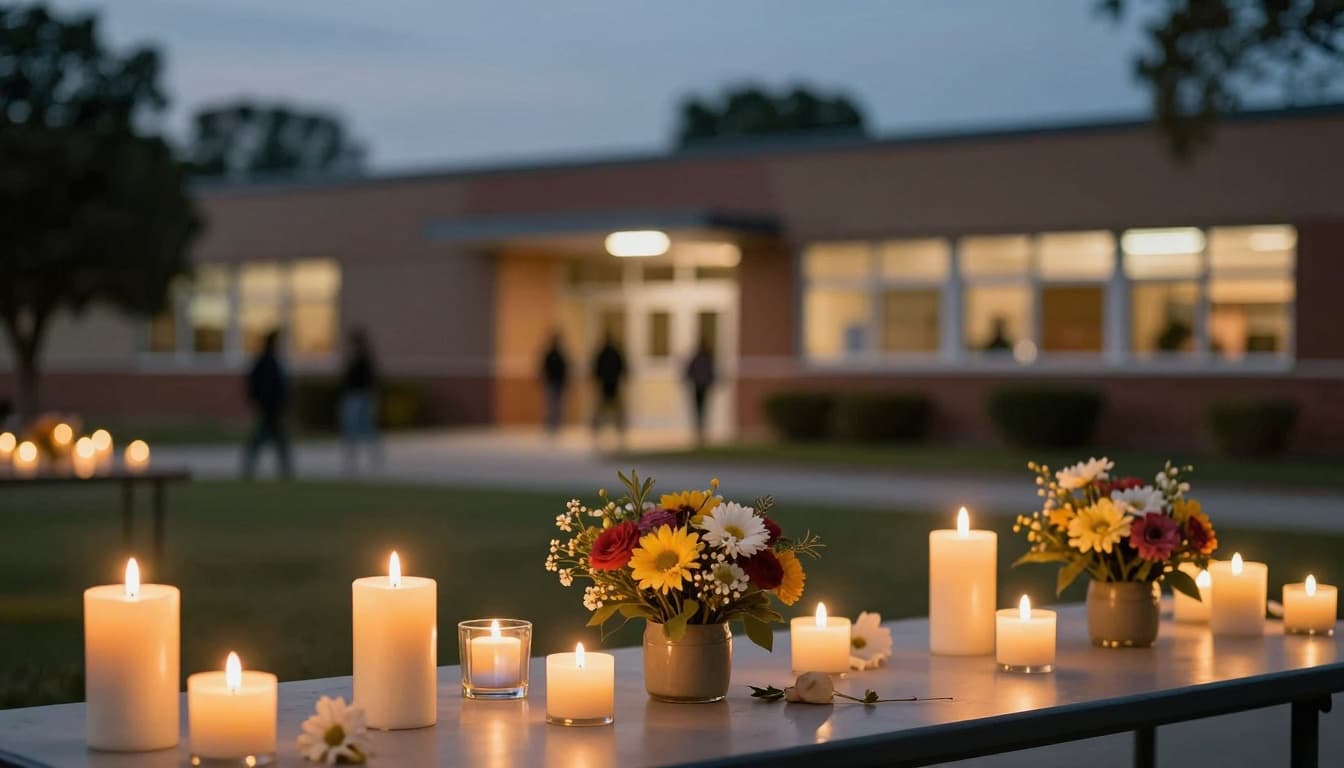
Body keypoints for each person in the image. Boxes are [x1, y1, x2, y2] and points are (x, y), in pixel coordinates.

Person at [241, 329, 293, 478]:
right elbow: (256, 384)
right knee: (269, 437)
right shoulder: (265, 362)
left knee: (273, 437)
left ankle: (283, 468)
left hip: (273, 406)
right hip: (269, 406)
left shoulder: (273, 361)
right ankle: (283, 468)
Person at [340, 328, 382, 472]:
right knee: (354, 428)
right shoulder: (354, 359)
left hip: (361, 396)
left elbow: (370, 380)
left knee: (363, 427)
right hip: (353, 396)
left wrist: (371, 398)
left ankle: (373, 456)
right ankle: (353, 460)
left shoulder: (364, 360)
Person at [591, 333, 626, 447]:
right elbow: (622, 367)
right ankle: (619, 431)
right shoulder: (616, 352)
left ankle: (598, 430)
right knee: (615, 410)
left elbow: (596, 368)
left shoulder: (602, 353)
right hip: (613, 384)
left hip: (605, 385)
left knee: (602, 409)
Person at [684, 339, 716, 444]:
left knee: (702, 409)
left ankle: (702, 430)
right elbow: (689, 371)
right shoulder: (698, 358)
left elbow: (712, 372)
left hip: (703, 386)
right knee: (699, 409)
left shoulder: (707, 358)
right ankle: (699, 430)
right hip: (697, 386)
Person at [540, 332, 569, 436]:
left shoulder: (559, 354)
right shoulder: (552, 354)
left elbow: (564, 369)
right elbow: (544, 367)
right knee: (552, 405)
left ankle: (555, 425)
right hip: (552, 382)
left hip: (557, 382)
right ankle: (551, 425)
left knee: (555, 405)